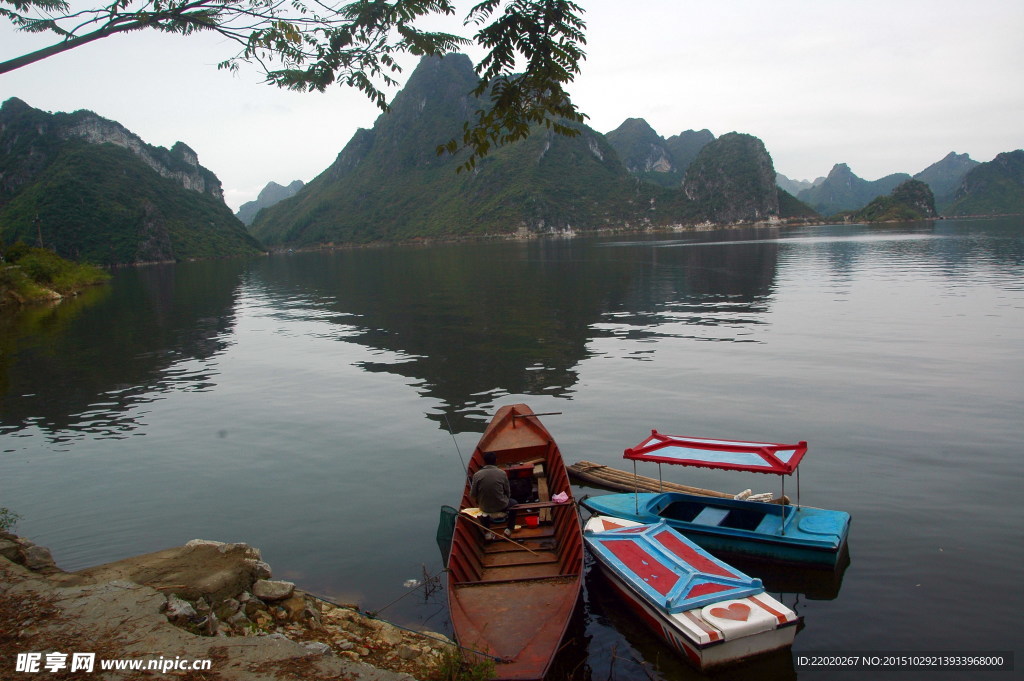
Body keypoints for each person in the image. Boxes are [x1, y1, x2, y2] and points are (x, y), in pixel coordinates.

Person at [470, 451, 517, 537]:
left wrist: (478, 500)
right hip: (502, 506)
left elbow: (473, 494)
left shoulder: (476, 475)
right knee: (514, 503)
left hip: (485, 507)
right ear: (496, 461)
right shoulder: (502, 473)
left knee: (481, 506)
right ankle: (509, 529)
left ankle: (487, 533)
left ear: (484, 462)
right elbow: (508, 492)